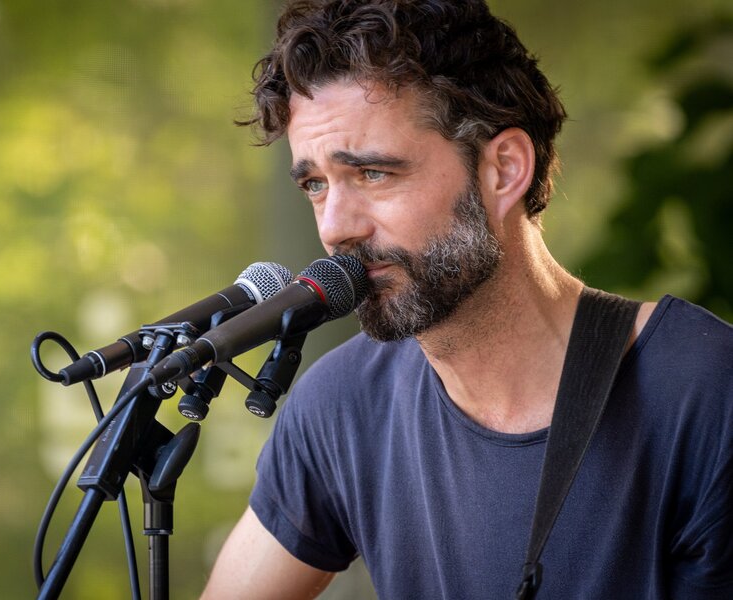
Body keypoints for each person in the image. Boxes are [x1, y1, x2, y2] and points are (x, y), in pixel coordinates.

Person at [202, 1, 733, 598]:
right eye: (315, 184)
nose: (334, 227)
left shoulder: (703, 392)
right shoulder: (343, 408)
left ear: (504, 169)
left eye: (373, 174)